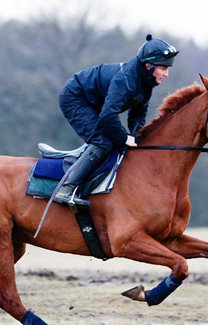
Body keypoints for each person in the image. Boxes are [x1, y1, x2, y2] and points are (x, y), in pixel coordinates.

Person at [53, 34, 179, 208]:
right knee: (103, 142)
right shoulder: (126, 80)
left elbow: (138, 114)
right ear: (148, 65)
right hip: (75, 98)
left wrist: (136, 137)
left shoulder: (146, 81)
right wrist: (124, 138)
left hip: (95, 102)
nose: (166, 74)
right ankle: (65, 189)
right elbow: (107, 116)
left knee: (118, 141)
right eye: (163, 68)